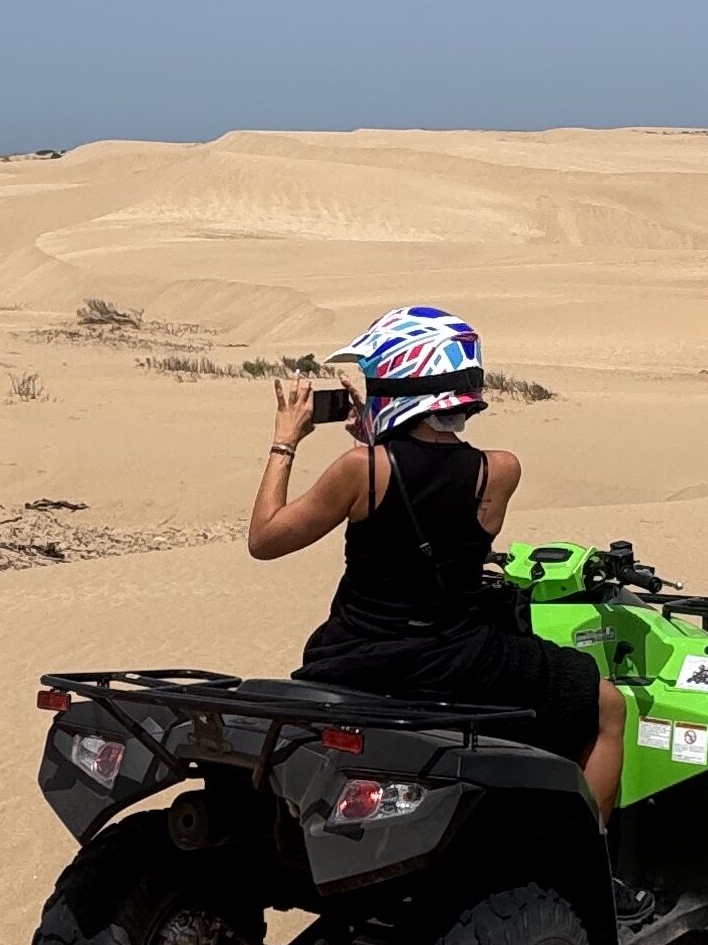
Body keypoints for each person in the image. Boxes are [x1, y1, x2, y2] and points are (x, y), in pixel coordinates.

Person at [246, 305, 629, 823]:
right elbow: (428, 479)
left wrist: (284, 440)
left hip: (354, 655)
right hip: (458, 659)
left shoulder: (363, 469)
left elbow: (265, 539)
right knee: (608, 706)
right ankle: (592, 859)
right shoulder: (499, 470)